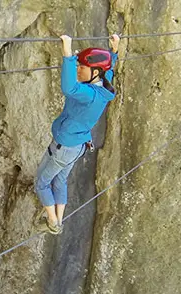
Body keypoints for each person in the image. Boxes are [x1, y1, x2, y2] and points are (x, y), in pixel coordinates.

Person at [35, 33, 120, 234]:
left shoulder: (89, 95)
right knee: (60, 180)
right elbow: (109, 69)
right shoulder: (102, 87)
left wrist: (67, 54)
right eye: (78, 66)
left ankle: (53, 223)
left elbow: (69, 87)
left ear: (95, 72)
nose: (78, 70)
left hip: (64, 146)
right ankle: (59, 218)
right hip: (77, 146)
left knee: (41, 183)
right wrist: (114, 51)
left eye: (82, 67)